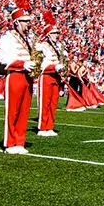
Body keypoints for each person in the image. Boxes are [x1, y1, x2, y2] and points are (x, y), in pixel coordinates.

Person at [0, 0, 37, 154]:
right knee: (13, 110)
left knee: (24, 110)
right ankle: (9, 143)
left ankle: (20, 141)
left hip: (27, 77)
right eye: (25, 22)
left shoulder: (29, 38)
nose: (28, 25)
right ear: (16, 22)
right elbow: (4, 58)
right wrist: (23, 64)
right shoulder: (8, 37)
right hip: (15, 76)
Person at [34, 10, 65, 138]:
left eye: (56, 33)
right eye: (53, 33)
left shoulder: (58, 47)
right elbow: (41, 65)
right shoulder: (43, 46)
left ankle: (50, 126)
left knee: (53, 103)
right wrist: (55, 67)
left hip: (56, 77)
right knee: (44, 103)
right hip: (46, 76)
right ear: (48, 35)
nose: (56, 35)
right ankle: (42, 127)